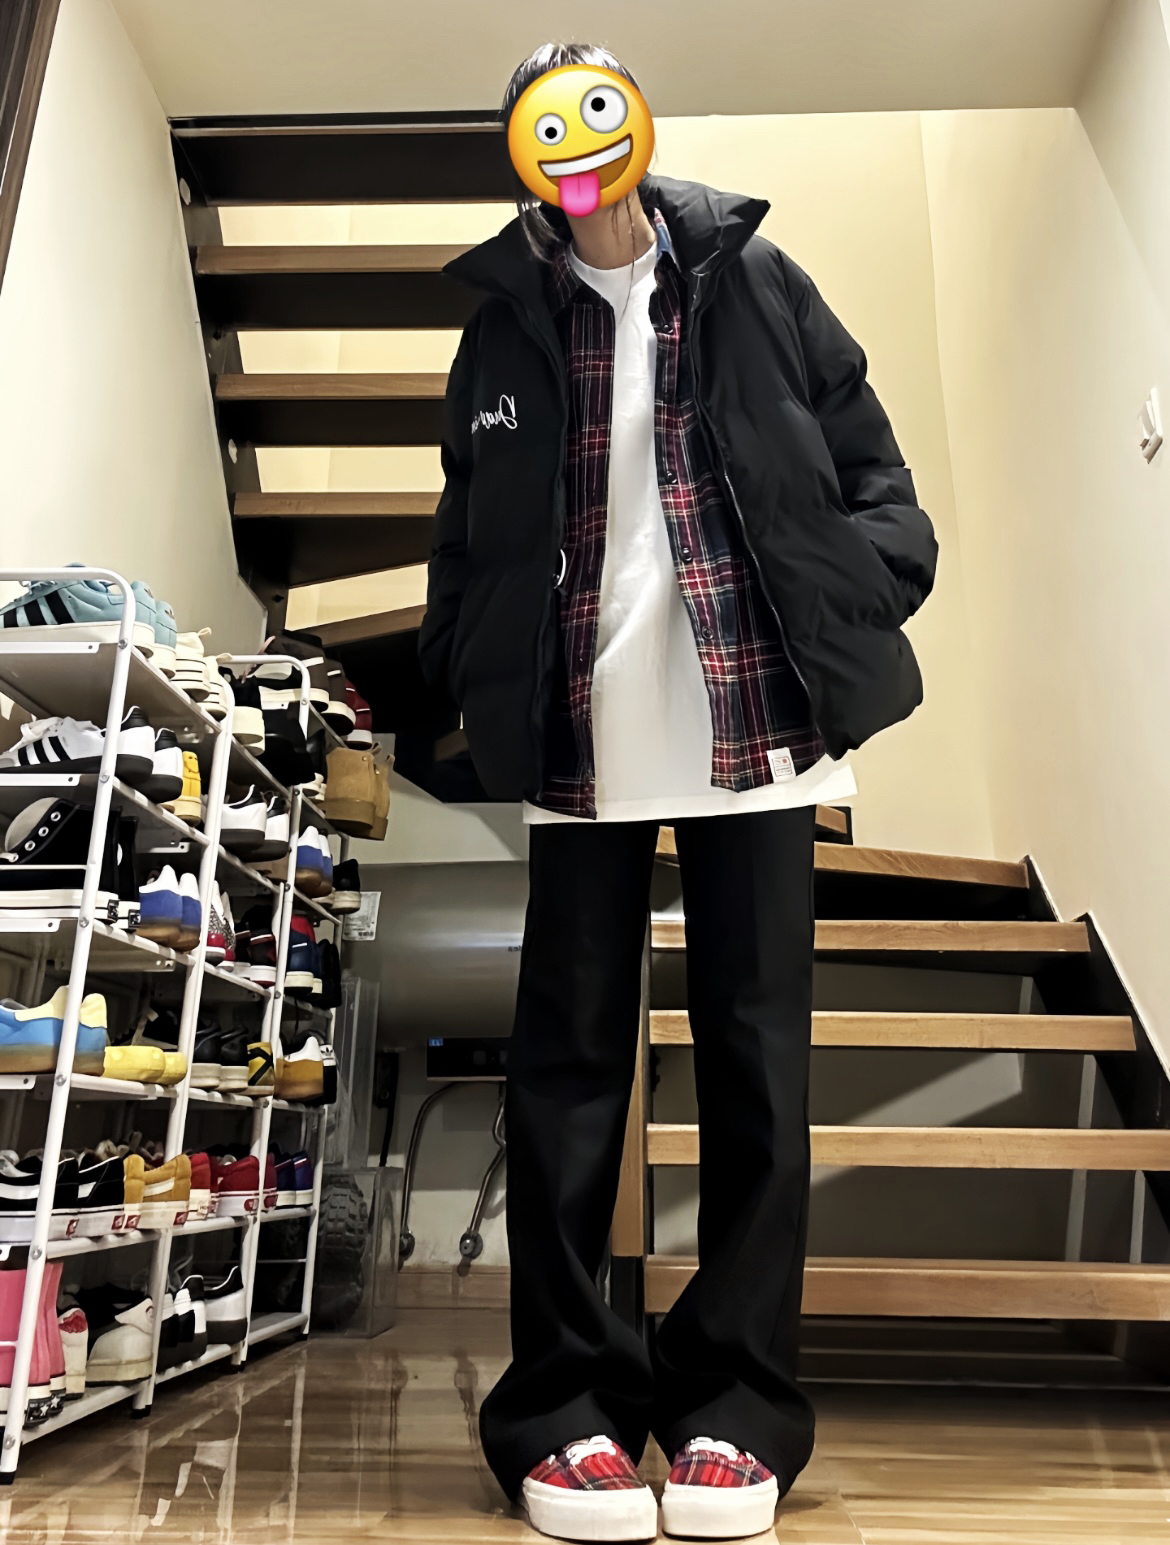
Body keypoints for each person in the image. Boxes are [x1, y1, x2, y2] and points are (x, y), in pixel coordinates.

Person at [419, 41, 937, 1543]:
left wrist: (858, 595)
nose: (578, 145)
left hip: (754, 724)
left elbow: (871, 467)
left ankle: (736, 1407)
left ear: (635, 126)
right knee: (564, 1078)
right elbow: (463, 529)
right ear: (522, 153)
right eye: (547, 124)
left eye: (598, 111)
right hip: (579, 743)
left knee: (757, 1076)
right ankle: (563, 1406)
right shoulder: (500, 327)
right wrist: (465, 664)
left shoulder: (753, 277)